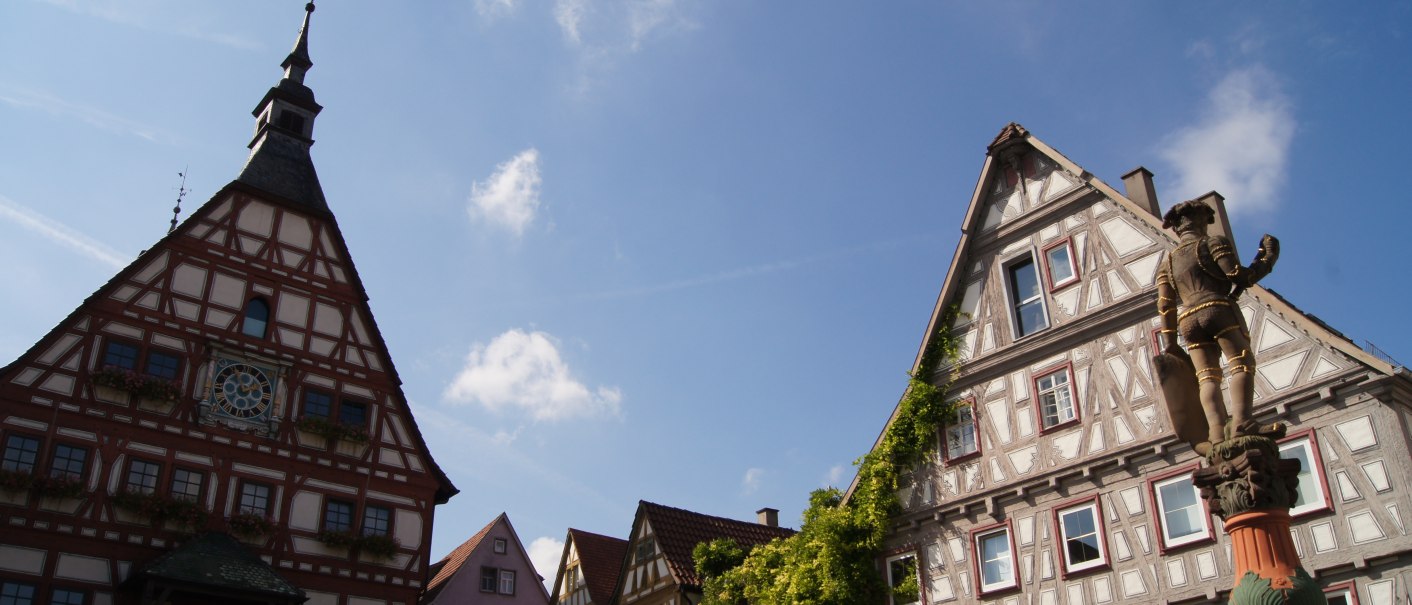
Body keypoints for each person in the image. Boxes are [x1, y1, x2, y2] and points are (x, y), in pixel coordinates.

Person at [1155, 199, 1278, 451]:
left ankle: (1217, 435)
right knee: (1241, 363)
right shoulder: (1213, 243)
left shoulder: (1166, 263)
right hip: (1217, 309)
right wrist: (1266, 261)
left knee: (1207, 377)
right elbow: (1238, 276)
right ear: (1200, 222)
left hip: (1188, 320)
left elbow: (1165, 304)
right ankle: (1243, 421)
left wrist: (1170, 343)